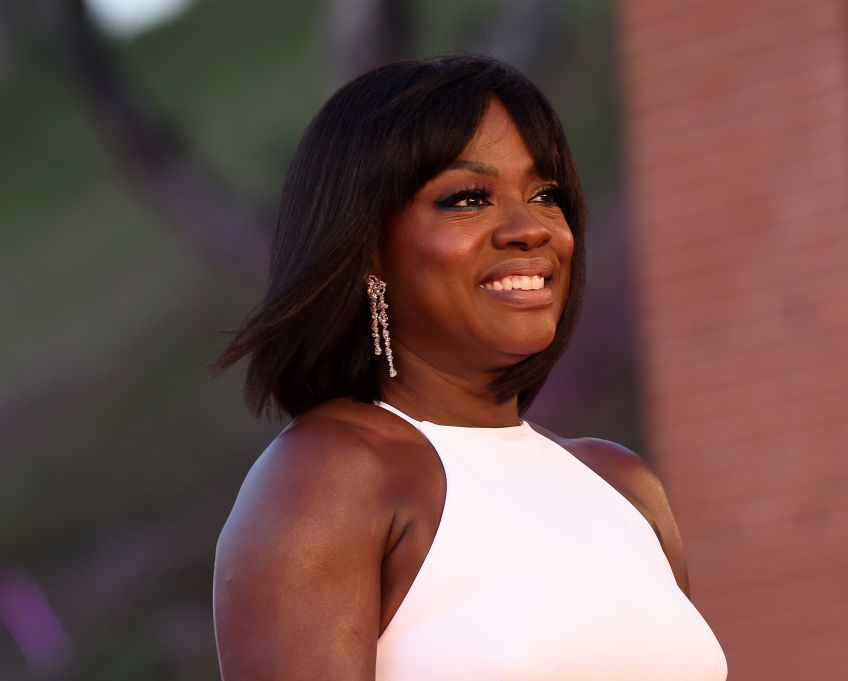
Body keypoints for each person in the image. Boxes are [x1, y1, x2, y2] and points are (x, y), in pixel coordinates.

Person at [210, 54, 728, 680]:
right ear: (368, 247)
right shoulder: (334, 475)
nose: (528, 228)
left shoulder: (624, 483)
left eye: (546, 195)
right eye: (467, 199)